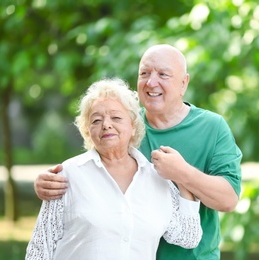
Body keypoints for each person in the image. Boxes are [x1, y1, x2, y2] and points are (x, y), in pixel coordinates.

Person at [34, 44, 243, 259]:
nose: (151, 82)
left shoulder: (212, 127)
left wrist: (182, 173)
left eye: (163, 74)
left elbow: (228, 200)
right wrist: (47, 184)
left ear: (183, 83)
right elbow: (88, 176)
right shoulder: (121, 125)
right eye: (144, 73)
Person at [26, 78, 202, 260]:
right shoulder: (67, 175)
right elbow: (39, 250)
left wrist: (182, 175)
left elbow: (188, 236)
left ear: (133, 127)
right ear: (87, 131)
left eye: (116, 117)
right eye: (96, 120)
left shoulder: (157, 179)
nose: (106, 125)